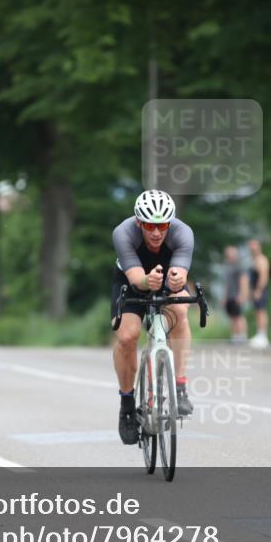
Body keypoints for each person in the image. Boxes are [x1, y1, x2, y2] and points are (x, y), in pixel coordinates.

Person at [112, 190, 195, 445]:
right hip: (131, 281)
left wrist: (178, 278)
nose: (157, 232)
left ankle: (179, 386)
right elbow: (137, 278)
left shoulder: (183, 233)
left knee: (181, 312)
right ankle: (127, 404)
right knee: (128, 336)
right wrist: (147, 281)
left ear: (170, 223)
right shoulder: (123, 233)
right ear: (139, 222)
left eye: (162, 226)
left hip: (166, 281)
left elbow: (180, 271)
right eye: (150, 226)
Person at [222, 245, 249, 344]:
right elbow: (226, 284)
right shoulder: (227, 266)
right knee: (232, 316)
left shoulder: (240, 266)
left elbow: (244, 281)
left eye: (231, 253)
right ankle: (235, 335)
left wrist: (242, 295)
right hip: (229, 296)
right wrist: (224, 297)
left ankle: (242, 335)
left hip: (237, 295)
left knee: (239, 316)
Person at [247, 239, 270, 348]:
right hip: (255, 291)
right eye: (251, 247)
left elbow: (263, 276)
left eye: (254, 247)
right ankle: (259, 334)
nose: (252, 249)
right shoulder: (254, 260)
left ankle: (263, 335)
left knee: (261, 311)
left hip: (260, 290)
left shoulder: (261, 260)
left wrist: (259, 290)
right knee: (258, 312)